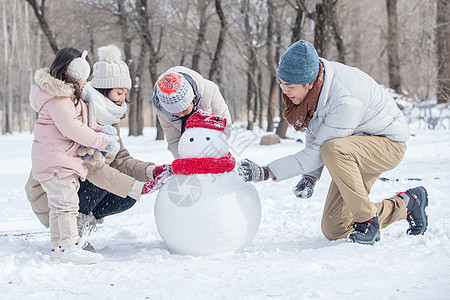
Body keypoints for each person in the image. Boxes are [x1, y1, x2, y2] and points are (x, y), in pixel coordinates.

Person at [237, 40, 429, 245]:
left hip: (387, 144)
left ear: (308, 82)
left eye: (290, 86)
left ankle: (367, 221)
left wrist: (266, 172)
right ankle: (408, 203)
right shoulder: (318, 85)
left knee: (332, 149)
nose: (285, 91)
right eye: (282, 84)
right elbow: (318, 131)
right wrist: (310, 176)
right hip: (356, 145)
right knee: (335, 227)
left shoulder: (344, 100)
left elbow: (321, 149)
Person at [25, 45, 172, 254]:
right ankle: (71, 236)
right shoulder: (77, 108)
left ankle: (73, 233)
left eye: (125, 93)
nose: (123, 99)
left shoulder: (105, 117)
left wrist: (151, 171)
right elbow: (94, 167)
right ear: (104, 91)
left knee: (125, 195)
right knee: (107, 178)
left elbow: (120, 159)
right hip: (51, 189)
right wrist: (139, 187)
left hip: (75, 182)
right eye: (119, 92)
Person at [28, 47, 120, 264]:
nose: (85, 81)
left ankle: (59, 247)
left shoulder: (64, 97)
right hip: (55, 160)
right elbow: (73, 129)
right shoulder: (58, 99)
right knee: (67, 204)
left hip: (59, 158)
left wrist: (97, 131)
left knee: (59, 205)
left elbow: (78, 125)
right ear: (69, 71)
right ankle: (69, 246)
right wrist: (101, 142)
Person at [152, 66, 232, 158]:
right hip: (188, 156)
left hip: (214, 153)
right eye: (174, 113)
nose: (180, 115)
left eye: (184, 110)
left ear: (193, 98)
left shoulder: (210, 91)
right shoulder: (162, 110)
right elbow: (173, 141)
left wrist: (212, 155)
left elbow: (226, 125)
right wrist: (185, 161)